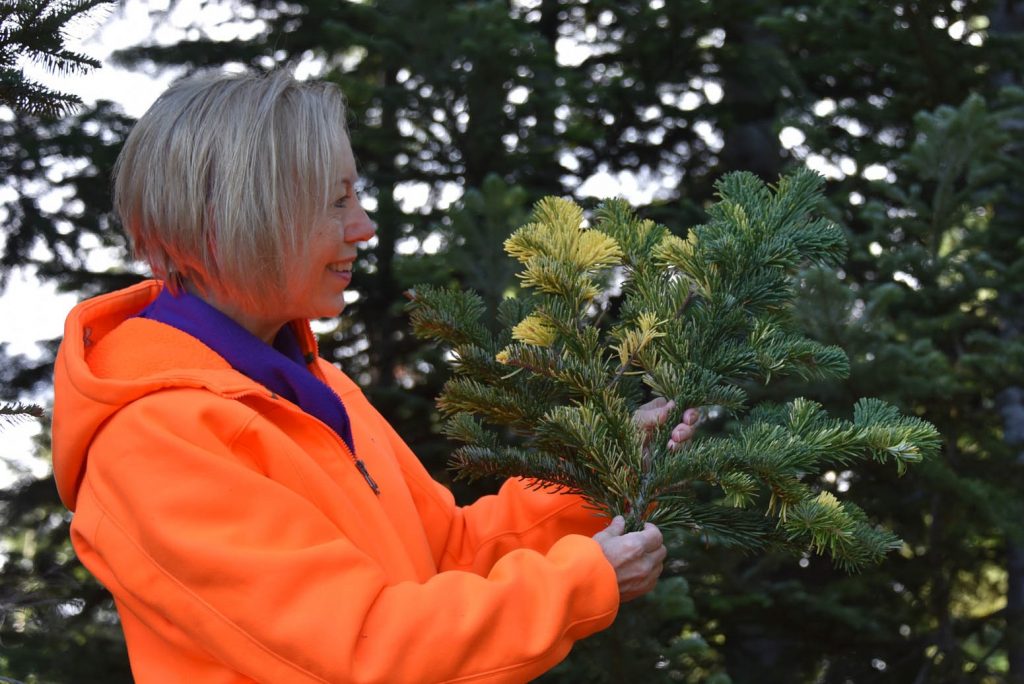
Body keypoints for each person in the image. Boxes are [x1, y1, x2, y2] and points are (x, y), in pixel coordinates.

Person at [51, 69, 699, 683]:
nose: (362, 228)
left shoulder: (313, 385)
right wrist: (580, 584)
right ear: (231, 226)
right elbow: (361, 653)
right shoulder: (156, 442)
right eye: (336, 203)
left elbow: (449, 554)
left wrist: (601, 473)